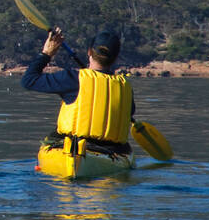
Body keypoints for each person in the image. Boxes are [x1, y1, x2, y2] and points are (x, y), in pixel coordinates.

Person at [21, 27, 133, 155]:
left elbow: (28, 81)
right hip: (111, 151)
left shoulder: (73, 78)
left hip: (73, 148)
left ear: (89, 52)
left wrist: (46, 54)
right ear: (116, 57)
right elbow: (129, 113)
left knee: (54, 136)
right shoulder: (125, 86)